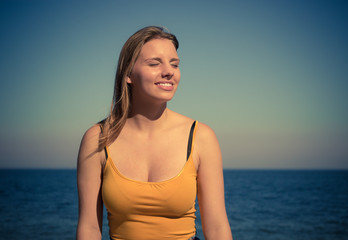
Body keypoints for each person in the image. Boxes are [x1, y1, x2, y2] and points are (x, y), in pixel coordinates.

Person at [76, 26, 232, 240]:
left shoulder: (201, 137)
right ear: (128, 74)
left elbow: (217, 228)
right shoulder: (98, 138)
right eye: (154, 63)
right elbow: (89, 228)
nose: (169, 71)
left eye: (174, 64)